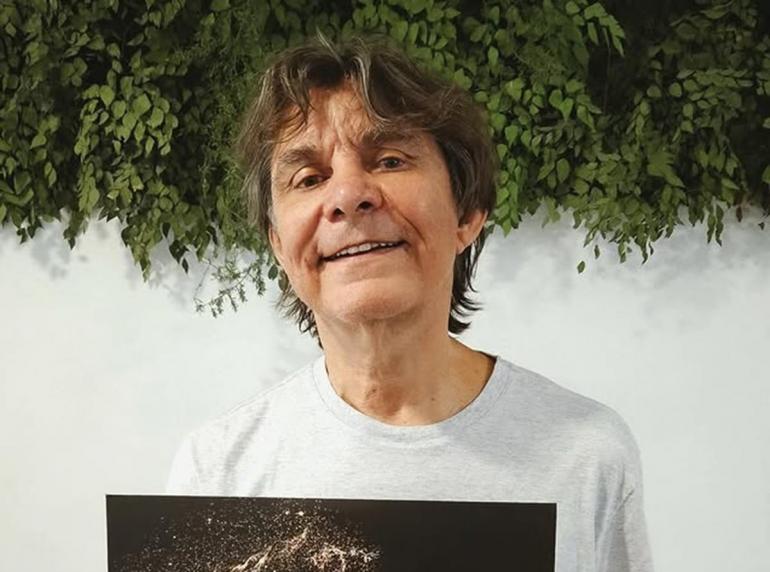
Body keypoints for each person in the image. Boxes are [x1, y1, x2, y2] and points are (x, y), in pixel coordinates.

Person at [166, 34, 654, 571]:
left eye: (390, 160)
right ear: (279, 245)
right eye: (309, 178)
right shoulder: (217, 472)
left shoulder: (587, 454)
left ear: (466, 212)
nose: (348, 195)